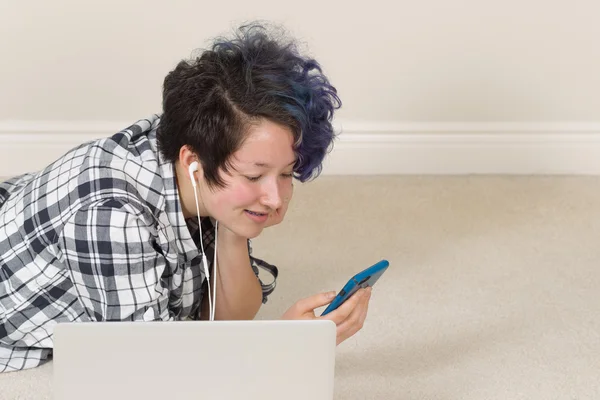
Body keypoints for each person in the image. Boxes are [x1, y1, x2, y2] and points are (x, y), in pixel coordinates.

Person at [0, 22, 372, 373]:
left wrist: (235, 226)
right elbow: (156, 374)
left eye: (286, 173)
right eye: (255, 175)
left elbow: (221, 321)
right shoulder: (112, 220)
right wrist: (282, 347)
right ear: (192, 161)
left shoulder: (199, 152)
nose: (276, 198)